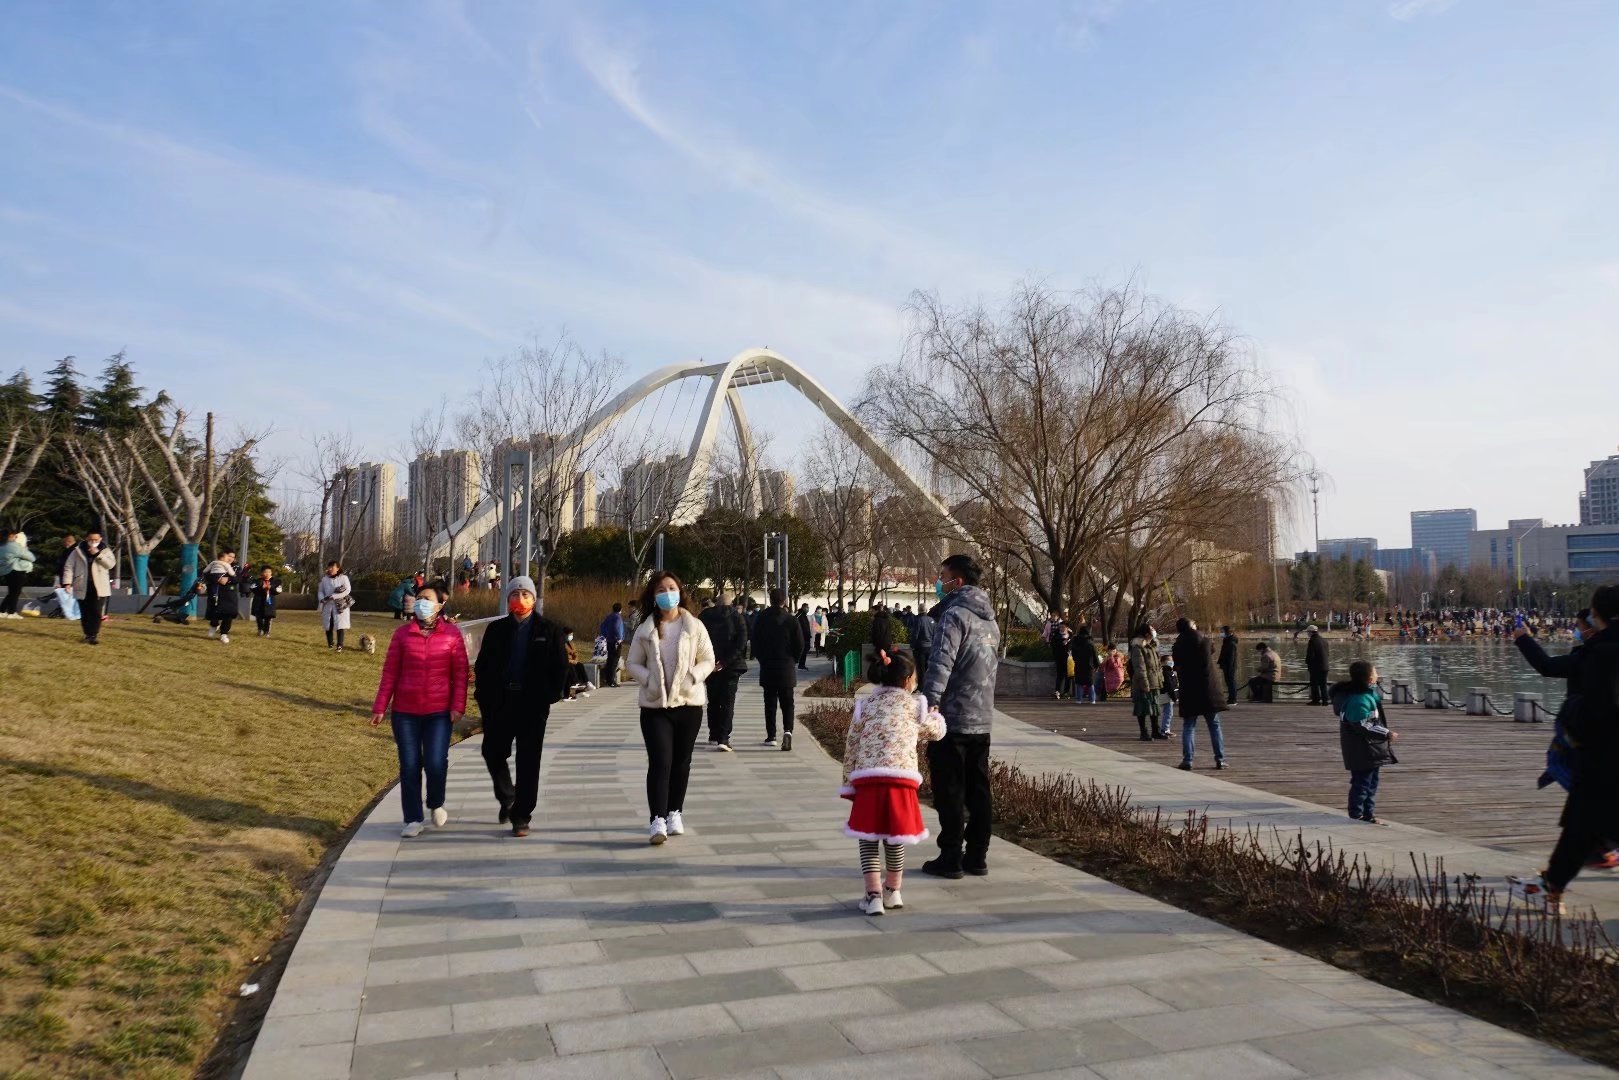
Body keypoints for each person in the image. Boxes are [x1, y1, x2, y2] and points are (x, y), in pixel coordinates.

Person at [1510, 588, 1619, 912]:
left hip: (1604, 756)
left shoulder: (1600, 652)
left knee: (1582, 822)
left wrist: (1522, 638)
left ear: (1596, 616)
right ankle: (1552, 885)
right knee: (1584, 826)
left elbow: (1551, 669)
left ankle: (1551, 886)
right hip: (1603, 758)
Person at [842, 649, 946, 916]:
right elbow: (936, 733)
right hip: (902, 780)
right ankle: (893, 890)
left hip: (868, 778)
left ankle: (873, 895)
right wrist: (935, 715)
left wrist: (848, 784)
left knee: (868, 837)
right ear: (909, 680)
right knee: (895, 835)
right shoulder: (915, 706)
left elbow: (851, 746)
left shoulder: (865, 706)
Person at [920, 554, 1001, 880]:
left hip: (952, 718)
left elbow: (941, 662)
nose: (939, 583)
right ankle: (977, 856)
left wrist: (930, 702)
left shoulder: (954, 616)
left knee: (950, 789)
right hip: (982, 718)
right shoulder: (990, 621)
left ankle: (951, 855)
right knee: (978, 789)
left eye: (943, 576)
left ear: (958, 582)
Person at [473, 576, 568, 837]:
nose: (520, 599)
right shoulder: (496, 630)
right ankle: (508, 797)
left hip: (532, 705)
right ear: (508, 599)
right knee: (492, 751)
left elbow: (560, 667)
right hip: (500, 701)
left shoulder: (549, 630)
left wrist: (550, 696)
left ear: (534, 599)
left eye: (526, 595)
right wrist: (484, 696)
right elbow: (483, 666)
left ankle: (521, 815)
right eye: (515, 594)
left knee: (529, 761)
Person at [370, 584, 468, 838]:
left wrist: (458, 706)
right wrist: (380, 706)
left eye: (427, 599)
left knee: (436, 762)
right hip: (405, 712)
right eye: (419, 598)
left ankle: (436, 802)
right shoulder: (402, 634)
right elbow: (390, 672)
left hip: (439, 711)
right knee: (410, 765)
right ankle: (413, 818)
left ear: (440, 605)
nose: (421, 602)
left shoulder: (452, 635)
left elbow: (460, 673)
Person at [625, 571, 715, 844]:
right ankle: (657, 819)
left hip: (689, 704)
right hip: (655, 707)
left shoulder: (694, 626)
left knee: (681, 762)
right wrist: (649, 680)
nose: (667, 593)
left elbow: (708, 659)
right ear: (653, 596)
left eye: (671, 588)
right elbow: (632, 664)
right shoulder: (645, 630)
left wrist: (692, 677)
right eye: (661, 590)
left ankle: (675, 811)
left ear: (680, 591)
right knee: (660, 761)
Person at [1332, 660, 1396, 825]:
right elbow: (1362, 724)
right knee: (1362, 782)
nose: (1377, 675)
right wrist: (1386, 733)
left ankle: (1368, 814)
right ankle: (1358, 814)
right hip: (1363, 749)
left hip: (1369, 748)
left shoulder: (1366, 695)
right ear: (1367, 678)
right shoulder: (1359, 699)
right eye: (1374, 672)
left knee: (1370, 781)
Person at [751, 588, 805, 749]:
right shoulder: (792, 620)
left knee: (770, 702)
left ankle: (771, 735)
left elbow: (755, 642)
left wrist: (762, 659)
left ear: (771, 599)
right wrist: (793, 660)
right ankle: (788, 731)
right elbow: (800, 644)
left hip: (768, 666)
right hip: (787, 667)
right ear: (785, 600)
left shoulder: (761, 618)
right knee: (788, 702)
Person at [1172, 617, 1228, 770]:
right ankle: (1220, 759)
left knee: (1189, 725)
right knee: (1214, 725)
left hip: (1189, 689)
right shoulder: (1204, 640)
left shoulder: (1178, 645)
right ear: (1192, 626)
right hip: (1208, 689)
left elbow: (1177, 664)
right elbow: (1212, 649)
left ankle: (1188, 760)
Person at [698, 594, 747, 751]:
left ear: (716, 603)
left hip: (709, 666)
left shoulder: (704, 616)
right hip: (731, 667)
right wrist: (724, 662)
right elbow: (741, 643)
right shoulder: (737, 617)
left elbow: (697, 640)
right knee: (727, 701)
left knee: (712, 700)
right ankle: (723, 738)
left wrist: (710, 662)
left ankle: (713, 734)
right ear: (731, 604)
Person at [62, 530, 115, 645]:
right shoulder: (78, 550)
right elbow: (69, 566)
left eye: (96, 540)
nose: (93, 542)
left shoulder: (105, 550)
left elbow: (111, 564)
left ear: (100, 539)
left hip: (100, 586)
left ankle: (93, 634)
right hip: (82, 584)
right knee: (85, 611)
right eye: (91, 540)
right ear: (86, 539)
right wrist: (67, 582)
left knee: (96, 611)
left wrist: (98, 554)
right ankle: (87, 634)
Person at [1127, 625, 1162, 741]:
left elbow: (1158, 666)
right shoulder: (1138, 647)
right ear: (1146, 634)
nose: (1154, 631)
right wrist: (1144, 683)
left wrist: (1160, 679)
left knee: (1155, 707)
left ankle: (1156, 731)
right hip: (1143, 683)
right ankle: (1144, 732)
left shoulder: (1152, 646)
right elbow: (1139, 667)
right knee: (1142, 708)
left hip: (1154, 681)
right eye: (1152, 629)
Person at [201, 549, 240, 643]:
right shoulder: (214, 564)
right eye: (229, 556)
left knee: (228, 613)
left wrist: (228, 580)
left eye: (232, 557)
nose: (230, 558)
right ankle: (214, 625)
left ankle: (224, 633)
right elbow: (205, 574)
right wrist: (217, 578)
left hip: (229, 594)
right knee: (214, 611)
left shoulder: (236, 568)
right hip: (215, 592)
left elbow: (238, 578)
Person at [0, 527, 36, 618]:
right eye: (14, 536)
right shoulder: (14, 546)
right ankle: (12, 612)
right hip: (16, 571)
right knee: (15, 593)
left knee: (11, 592)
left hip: (5, 571)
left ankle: (2, 610)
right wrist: (25, 548)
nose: (15, 537)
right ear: (10, 536)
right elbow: (32, 557)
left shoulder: (1, 546)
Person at [317, 561, 353, 651]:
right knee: (328, 625)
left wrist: (335, 596)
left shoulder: (344, 578)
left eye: (332, 567)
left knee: (340, 625)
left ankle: (340, 645)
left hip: (340, 605)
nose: (330, 569)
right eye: (329, 567)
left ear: (337, 568)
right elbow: (320, 591)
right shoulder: (325, 579)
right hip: (327, 604)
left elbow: (347, 590)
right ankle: (330, 644)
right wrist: (322, 598)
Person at [249, 565, 283, 636]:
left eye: (269, 572)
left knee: (268, 618)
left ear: (271, 573)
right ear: (261, 573)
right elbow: (252, 589)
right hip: (259, 602)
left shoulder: (276, 582)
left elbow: (278, 591)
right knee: (259, 618)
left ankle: (267, 631)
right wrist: (262, 587)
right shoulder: (257, 581)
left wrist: (271, 588)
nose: (267, 573)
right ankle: (260, 629)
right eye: (265, 572)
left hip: (269, 603)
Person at [598, 602, 626, 687]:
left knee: (610, 660)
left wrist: (606, 635)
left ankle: (608, 679)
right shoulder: (618, 618)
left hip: (609, 641)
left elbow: (602, 626)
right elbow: (616, 628)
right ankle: (611, 681)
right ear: (621, 609)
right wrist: (619, 638)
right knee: (614, 661)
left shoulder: (609, 616)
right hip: (616, 642)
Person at [910, 605, 936, 692]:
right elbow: (935, 633)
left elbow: (915, 634)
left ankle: (921, 686)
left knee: (920, 668)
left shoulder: (918, 620)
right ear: (926, 610)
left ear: (918, 610)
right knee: (928, 667)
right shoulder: (931, 620)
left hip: (920, 647)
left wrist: (912, 645)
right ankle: (929, 686)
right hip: (930, 646)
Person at [1071, 626, 1098, 704]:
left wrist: (1076, 660)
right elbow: (1095, 655)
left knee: (1079, 682)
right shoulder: (1090, 642)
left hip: (1079, 664)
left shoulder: (1075, 641)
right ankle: (1092, 699)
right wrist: (1096, 665)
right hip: (1089, 665)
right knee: (1090, 682)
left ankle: (1078, 699)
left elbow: (1073, 654)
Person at [1305, 625, 1330, 705]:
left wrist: (1307, 662)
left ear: (1311, 632)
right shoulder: (1324, 640)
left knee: (1314, 684)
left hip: (1315, 667)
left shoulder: (1312, 641)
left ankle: (1316, 700)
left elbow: (1310, 655)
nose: (1307, 634)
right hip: (1325, 666)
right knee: (1323, 684)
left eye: (1308, 632)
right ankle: (1325, 701)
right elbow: (1327, 654)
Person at [1157, 651, 1178, 739]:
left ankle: (1165, 729)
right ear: (1164, 662)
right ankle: (1165, 729)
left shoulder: (1169, 671)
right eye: (1169, 660)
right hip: (1167, 696)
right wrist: (1174, 697)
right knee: (1168, 713)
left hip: (1168, 695)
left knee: (1168, 712)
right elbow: (1170, 686)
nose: (1171, 662)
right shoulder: (1166, 672)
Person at [1218, 625, 1240, 705]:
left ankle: (1233, 699)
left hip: (1229, 666)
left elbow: (1231, 657)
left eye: (1222, 631)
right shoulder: (1227, 640)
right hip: (1226, 665)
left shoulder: (1231, 642)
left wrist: (1229, 667)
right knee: (1229, 682)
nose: (1221, 633)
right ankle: (1231, 698)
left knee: (1231, 682)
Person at [1050, 621, 1072, 701]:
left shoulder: (1071, 636)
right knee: (1060, 675)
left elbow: (1074, 646)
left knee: (1068, 676)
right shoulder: (1056, 635)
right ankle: (1057, 691)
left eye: (1063, 627)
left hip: (1069, 659)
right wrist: (1061, 643)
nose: (1062, 628)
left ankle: (1066, 692)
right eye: (1060, 627)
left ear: (1067, 628)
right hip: (1059, 658)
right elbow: (1053, 645)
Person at [796, 603, 814, 671]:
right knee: (803, 651)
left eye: (808, 607)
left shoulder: (804, 615)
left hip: (806, 636)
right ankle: (801, 665)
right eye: (806, 607)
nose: (807, 609)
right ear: (803, 607)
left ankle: (802, 665)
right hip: (802, 636)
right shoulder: (799, 615)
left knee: (805, 650)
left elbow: (806, 626)